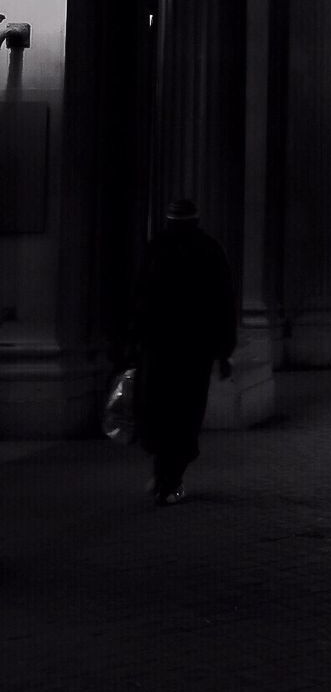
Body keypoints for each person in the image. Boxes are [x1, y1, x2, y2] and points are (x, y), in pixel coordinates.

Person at [131, 198, 237, 505]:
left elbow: (140, 297)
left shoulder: (156, 248)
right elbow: (223, 303)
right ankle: (172, 476)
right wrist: (223, 351)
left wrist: (133, 340)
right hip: (194, 348)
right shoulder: (210, 250)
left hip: (159, 345)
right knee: (186, 413)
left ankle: (163, 473)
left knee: (159, 409)